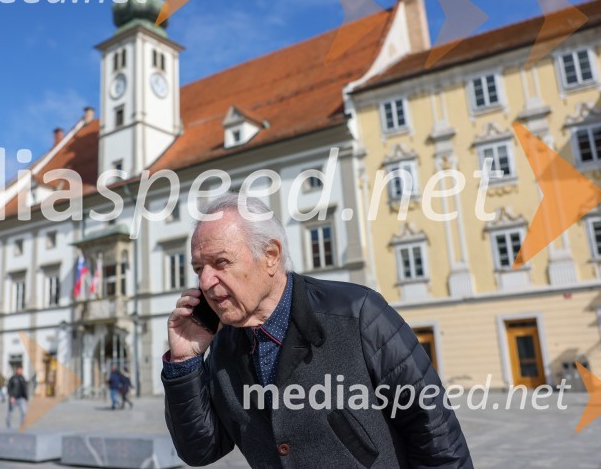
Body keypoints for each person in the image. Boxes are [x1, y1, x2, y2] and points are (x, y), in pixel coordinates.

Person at [162, 193, 473, 468]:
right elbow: (201, 450)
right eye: (199, 268)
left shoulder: (358, 314)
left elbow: (436, 435)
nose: (205, 282)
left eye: (220, 262)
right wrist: (184, 362)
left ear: (270, 256)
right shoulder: (223, 346)